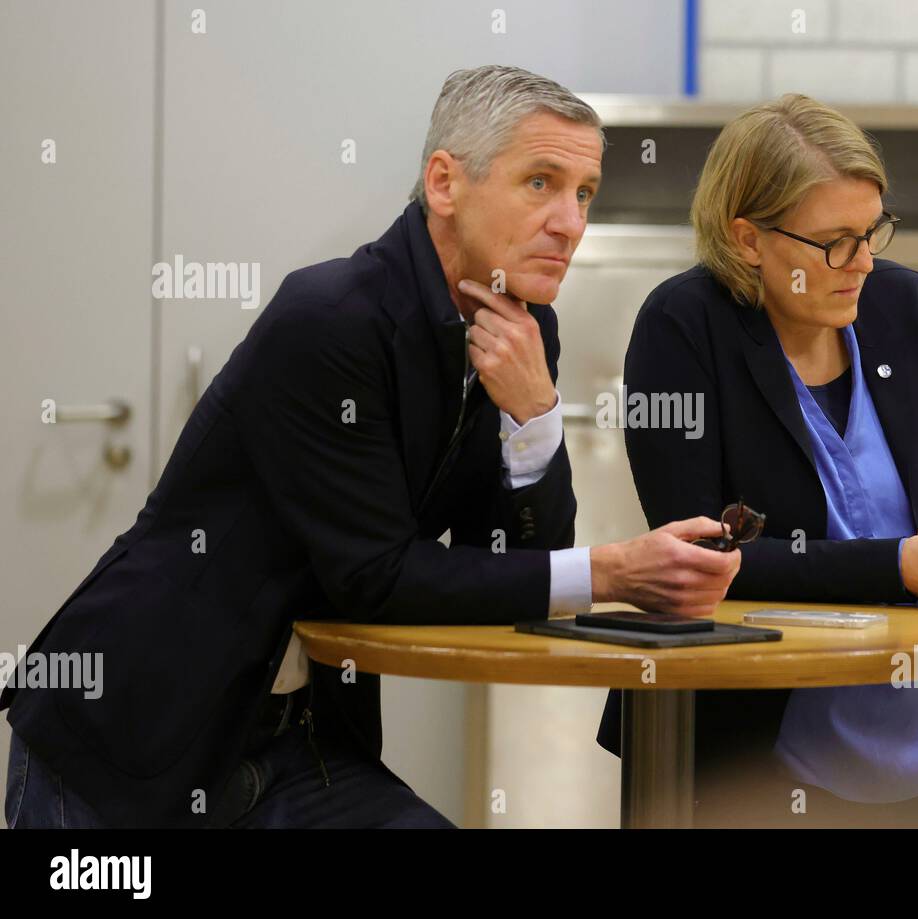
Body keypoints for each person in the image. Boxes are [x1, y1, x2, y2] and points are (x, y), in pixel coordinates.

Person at [3, 65, 739, 830]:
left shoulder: (522, 330)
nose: (570, 221)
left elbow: (525, 560)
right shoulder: (329, 318)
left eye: (584, 192)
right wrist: (614, 570)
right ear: (445, 183)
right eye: (541, 182)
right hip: (135, 738)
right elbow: (375, 576)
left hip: (299, 743)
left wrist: (537, 414)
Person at [596, 94, 918, 828]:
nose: (863, 262)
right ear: (747, 238)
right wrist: (898, 566)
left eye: (872, 233)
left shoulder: (909, 306)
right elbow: (700, 555)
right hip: (764, 764)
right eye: (835, 241)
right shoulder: (683, 326)